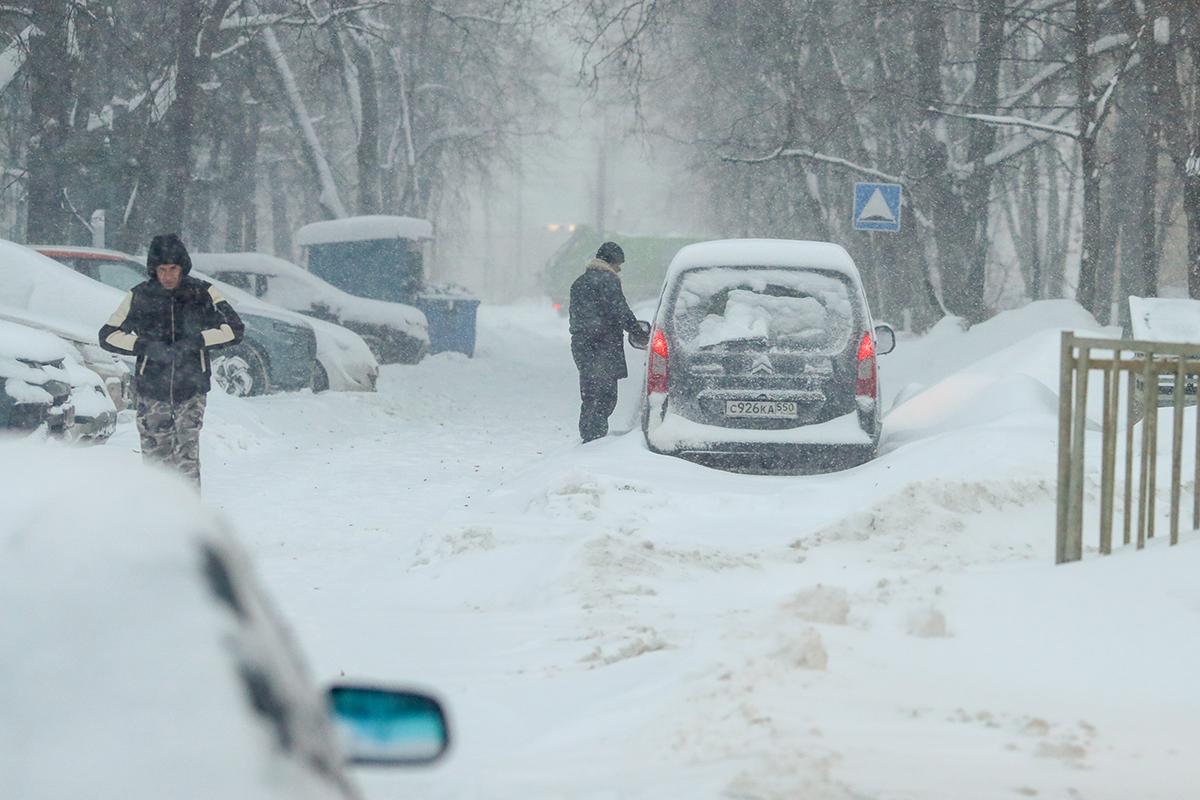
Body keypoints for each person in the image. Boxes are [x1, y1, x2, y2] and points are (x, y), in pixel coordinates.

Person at [98, 233, 244, 489]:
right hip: (151, 391)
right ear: (153, 269)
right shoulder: (139, 296)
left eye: (173, 269)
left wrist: (197, 340)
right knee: (156, 464)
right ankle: (159, 521)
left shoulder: (203, 293)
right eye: (161, 269)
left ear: (182, 267)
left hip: (192, 389)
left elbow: (234, 329)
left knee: (186, 459)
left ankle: (189, 520)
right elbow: (108, 335)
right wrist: (144, 346)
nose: (167, 275)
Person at [568, 241, 644, 443]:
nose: (619, 268)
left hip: (581, 345)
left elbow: (576, 318)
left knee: (589, 393)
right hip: (604, 346)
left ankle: (587, 435)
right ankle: (596, 440)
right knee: (606, 396)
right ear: (611, 261)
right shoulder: (608, 280)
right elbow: (620, 310)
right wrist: (638, 331)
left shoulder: (579, 282)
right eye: (619, 263)